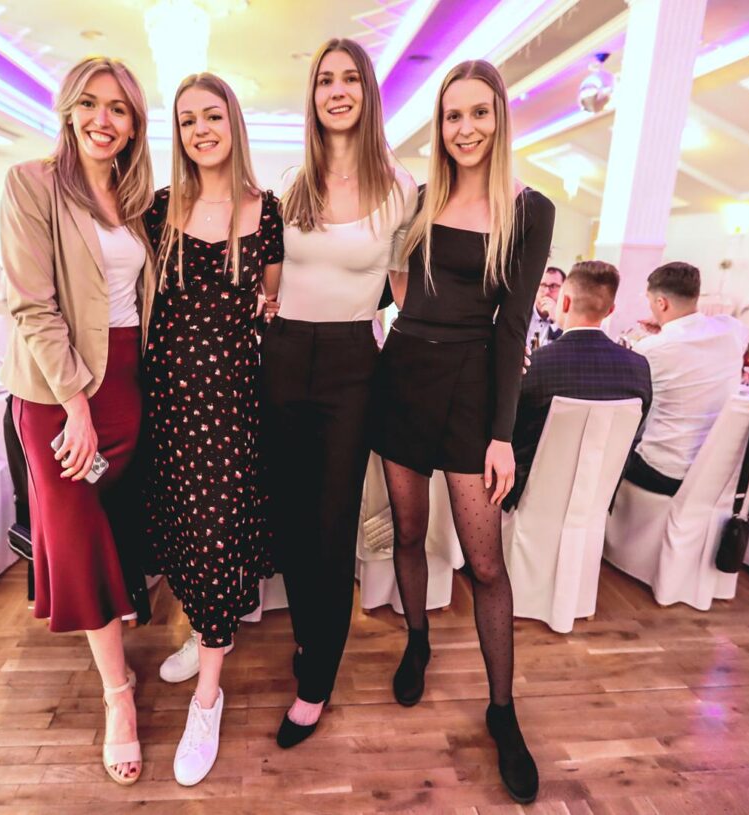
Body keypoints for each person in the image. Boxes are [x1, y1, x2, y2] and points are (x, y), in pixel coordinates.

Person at [371, 60, 554, 804]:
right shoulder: (419, 199)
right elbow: (393, 289)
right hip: (402, 378)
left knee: (486, 564)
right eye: (453, 115)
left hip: (474, 392)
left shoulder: (530, 208)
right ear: (440, 125)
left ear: (500, 117)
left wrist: (502, 434)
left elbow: (513, 329)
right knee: (409, 532)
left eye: (479, 113)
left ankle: (502, 710)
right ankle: (417, 637)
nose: (466, 128)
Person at [0, 56, 156, 787]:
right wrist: (74, 404)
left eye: (118, 108)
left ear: (133, 123)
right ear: (68, 108)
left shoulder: (137, 196)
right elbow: (33, 305)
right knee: (76, 531)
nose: (103, 119)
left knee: (113, 524)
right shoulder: (31, 183)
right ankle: (119, 697)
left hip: (127, 381)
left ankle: (120, 640)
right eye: (90, 103)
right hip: (57, 393)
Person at [260, 37, 418, 749]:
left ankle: (317, 677)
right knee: (292, 522)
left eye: (350, 78)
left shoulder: (402, 191)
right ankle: (308, 637)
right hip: (282, 355)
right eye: (325, 79)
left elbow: (404, 286)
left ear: (368, 92)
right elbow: (268, 275)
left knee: (331, 524)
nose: (337, 90)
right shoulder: (291, 183)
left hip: (354, 362)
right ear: (314, 95)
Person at [142, 72, 283, 786]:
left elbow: (271, 303)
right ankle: (201, 634)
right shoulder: (158, 209)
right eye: (188, 119)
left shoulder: (267, 211)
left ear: (234, 123)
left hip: (231, 405)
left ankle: (208, 699)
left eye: (213, 116)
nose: (201, 129)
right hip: (169, 402)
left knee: (219, 534)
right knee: (183, 531)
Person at [506, 260, 652, 510]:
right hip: (595, 502)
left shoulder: (536, 364)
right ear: (610, 310)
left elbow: (510, 433)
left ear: (564, 302)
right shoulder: (639, 368)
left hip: (530, 501)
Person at [625, 261, 749, 495]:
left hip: (663, 471)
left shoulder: (651, 348)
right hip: (712, 469)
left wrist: (662, 335)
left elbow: (632, 405)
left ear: (661, 303)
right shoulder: (733, 330)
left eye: (650, 301)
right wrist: (667, 329)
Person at [527, 265, 564, 346]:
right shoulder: (523, 314)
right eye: (542, 285)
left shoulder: (567, 320)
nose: (547, 292)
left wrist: (557, 320)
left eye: (553, 286)